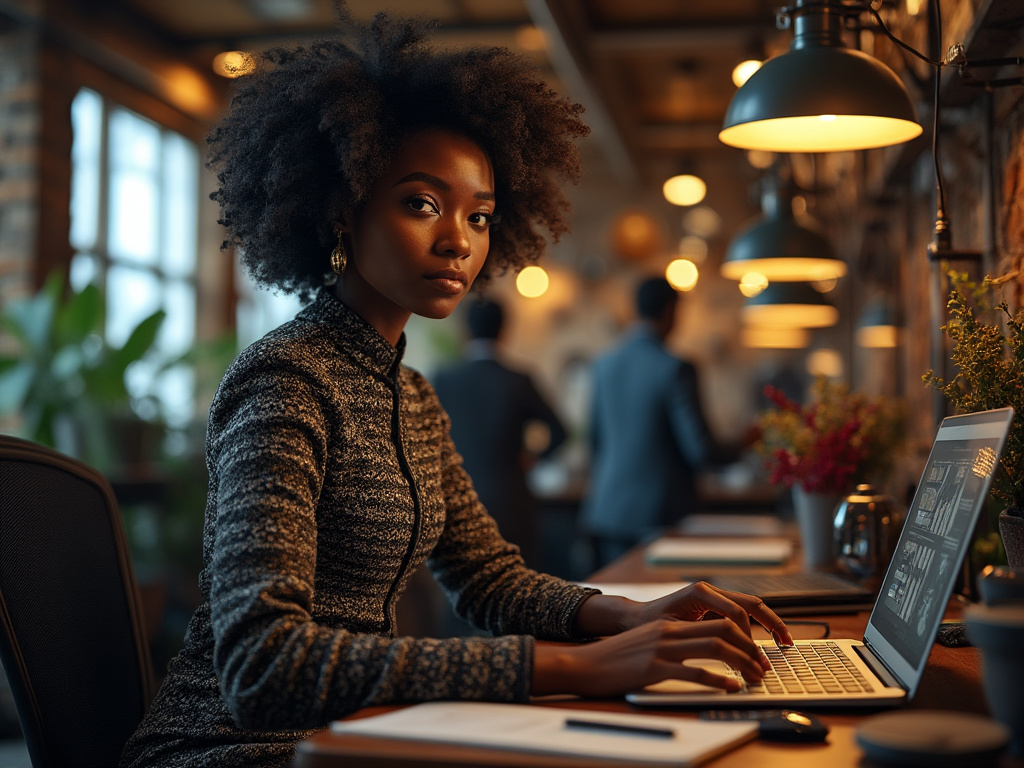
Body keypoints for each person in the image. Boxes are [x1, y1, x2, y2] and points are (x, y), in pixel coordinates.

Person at [121, 12, 791, 768]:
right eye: (421, 203)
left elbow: (488, 580)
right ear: (343, 209)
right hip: (227, 748)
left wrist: (631, 614)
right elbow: (261, 667)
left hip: (353, 736)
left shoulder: (413, 396)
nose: (458, 241)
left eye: (479, 216)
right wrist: (574, 667)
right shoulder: (287, 381)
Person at [581, 276, 734, 567]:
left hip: (607, 512)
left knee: (616, 603)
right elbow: (701, 451)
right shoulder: (676, 368)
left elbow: (594, 440)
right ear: (670, 311)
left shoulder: (603, 365)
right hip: (661, 516)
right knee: (662, 608)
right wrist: (745, 442)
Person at [433, 298, 567, 568]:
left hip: (455, 504)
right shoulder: (519, 380)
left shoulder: (443, 380)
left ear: (466, 331)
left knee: (458, 589)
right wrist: (531, 458)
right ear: (504, 329)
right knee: (519, 585)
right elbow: (559, 431)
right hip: (512, 500)